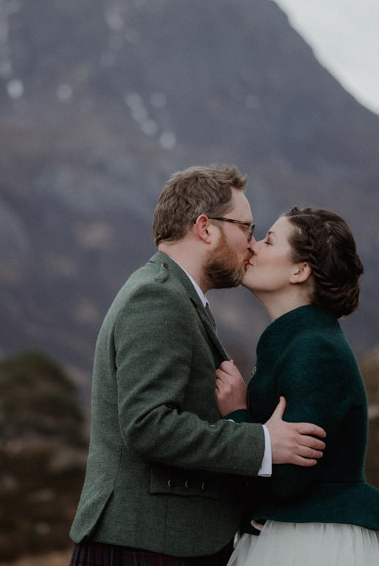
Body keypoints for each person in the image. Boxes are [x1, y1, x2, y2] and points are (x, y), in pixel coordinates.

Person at [70, 166, 329, 566]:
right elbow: (147, 424)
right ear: (206, 229)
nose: (252, 244)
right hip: (145, 546)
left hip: (157, 541)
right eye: (246, 227)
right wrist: (262, 443)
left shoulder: (174, 296)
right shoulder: (158, 299)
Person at [215, 207, 379, 565]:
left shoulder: (315, 350)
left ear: (300, 270)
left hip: (313, 543)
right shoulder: (299, 341)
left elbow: (288, 480)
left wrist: (238, 415)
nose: (253, 245)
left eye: (268, 240)